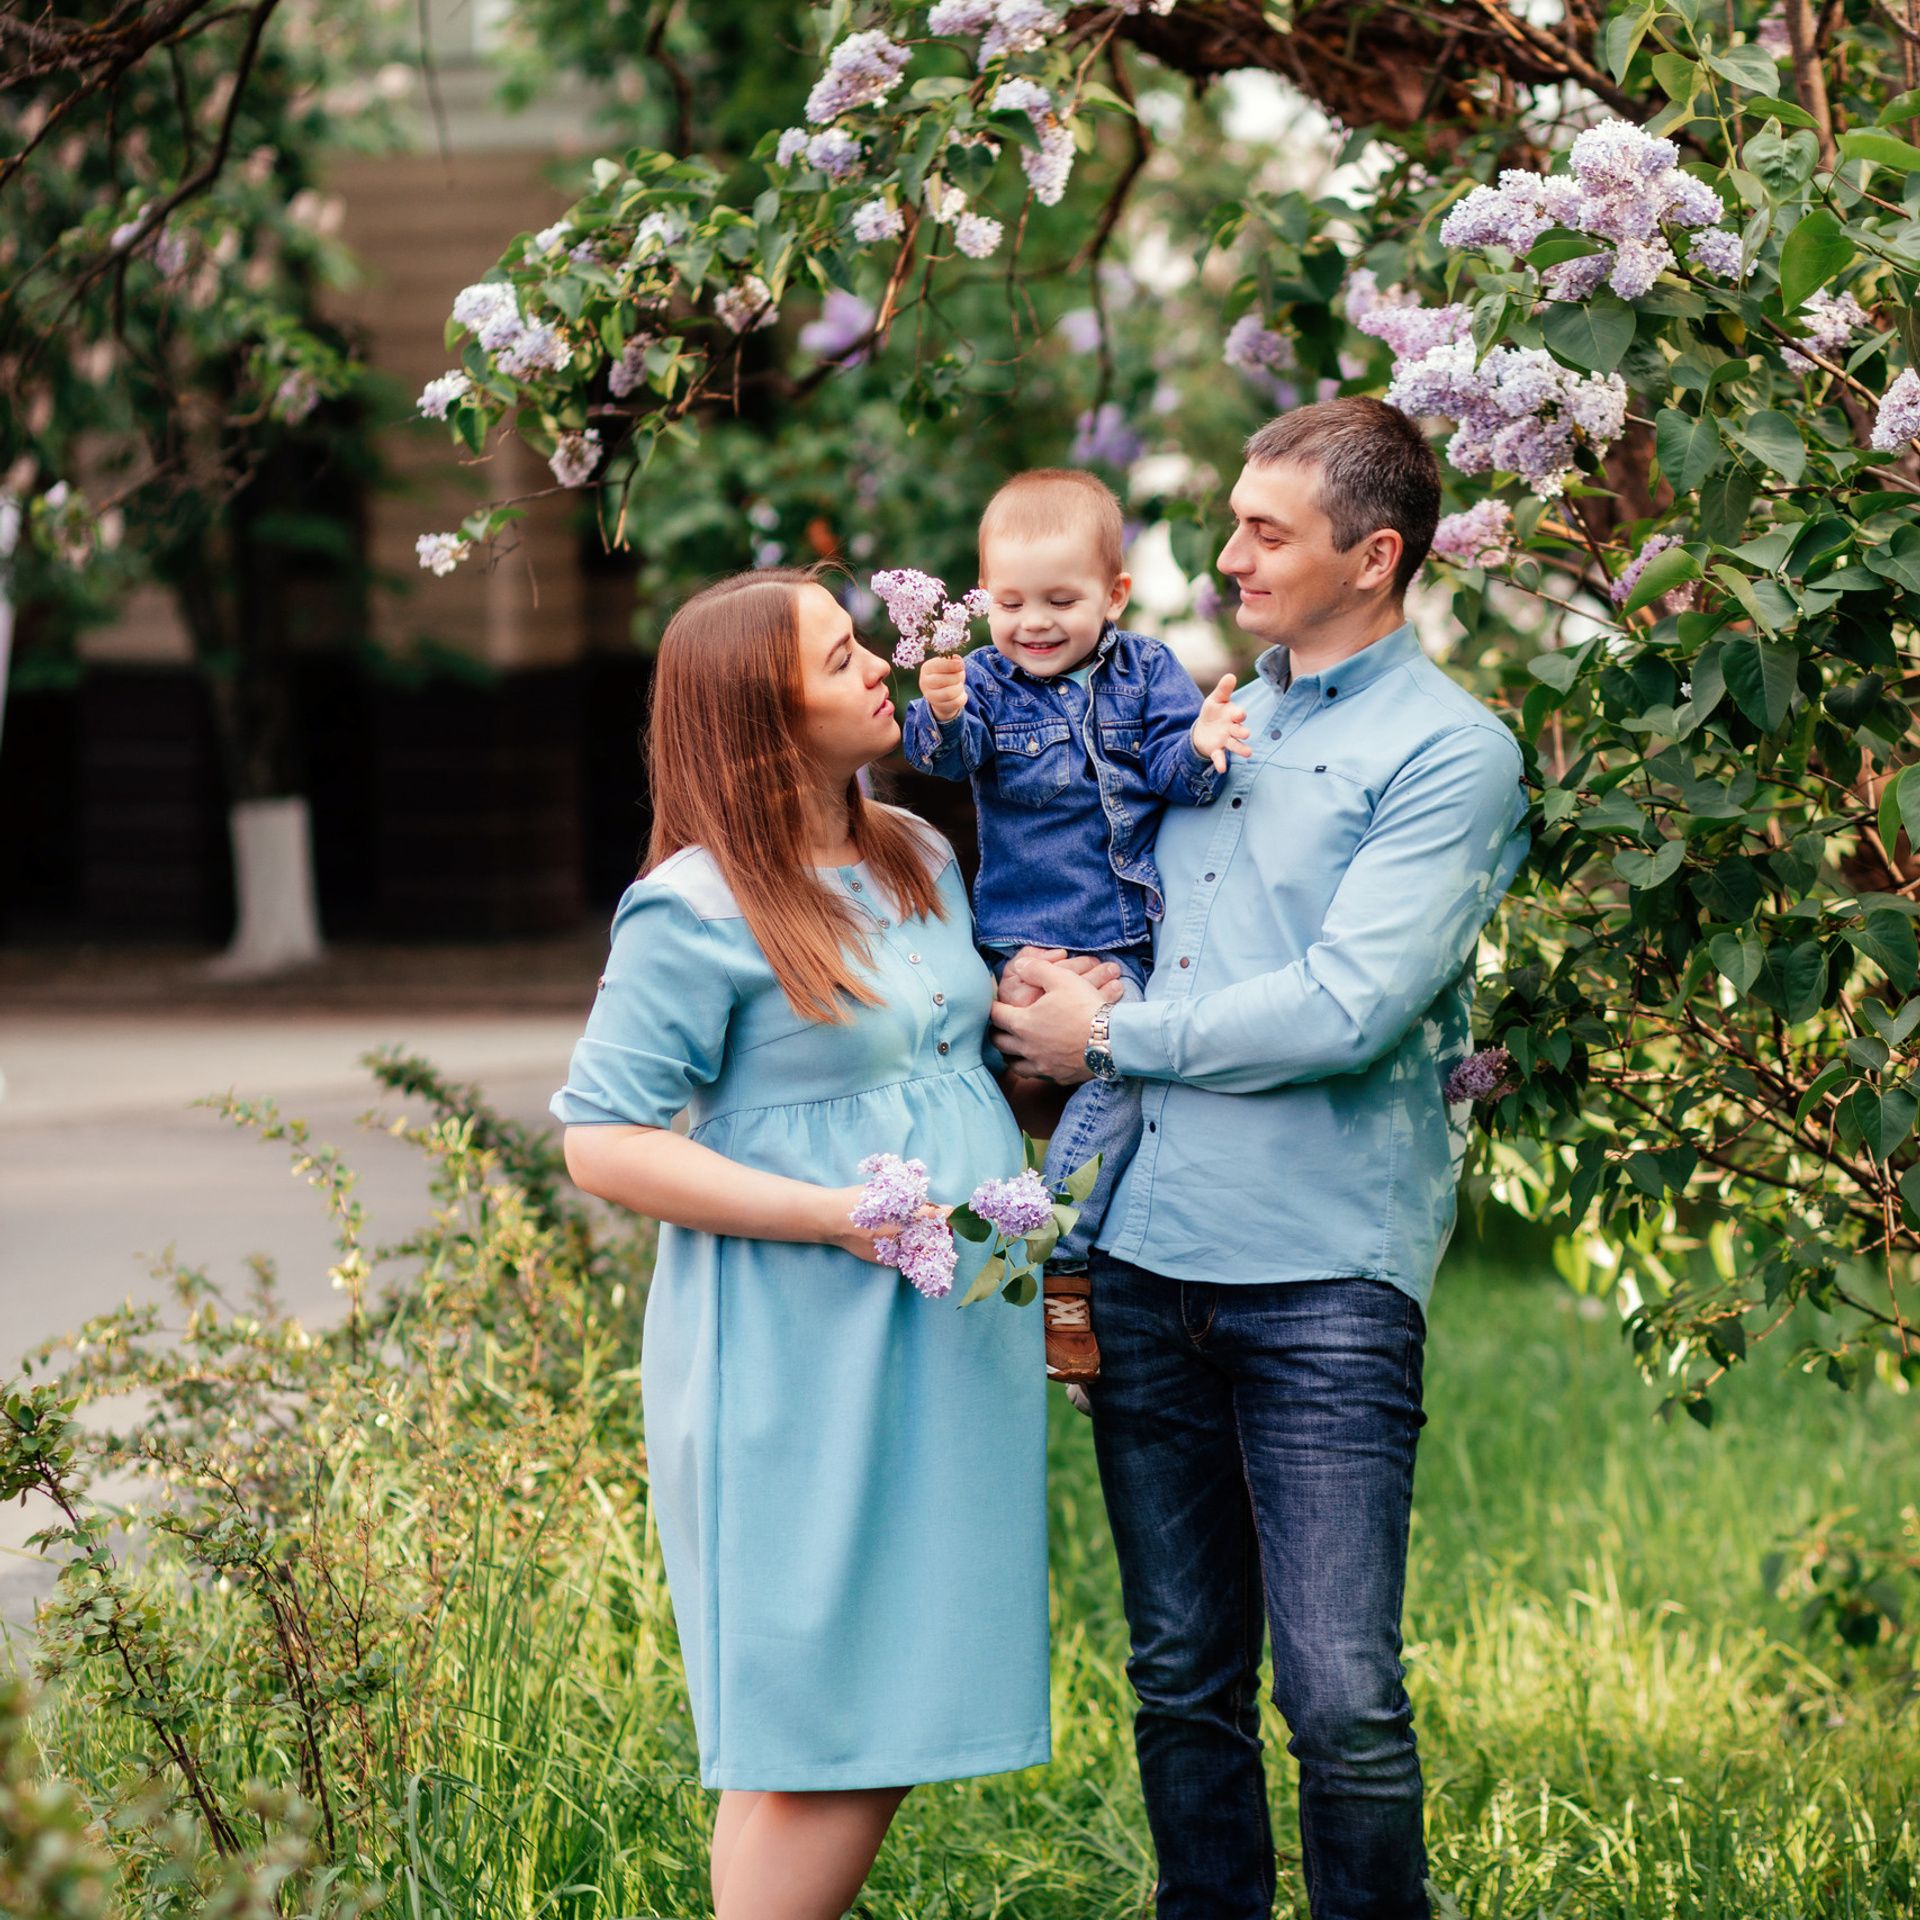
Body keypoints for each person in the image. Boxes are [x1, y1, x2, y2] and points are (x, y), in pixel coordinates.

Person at [989, 399, 1531, 1920]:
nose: (1225, 555)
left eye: (1265, 532)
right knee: (1179, 1681)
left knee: (1345, 1702)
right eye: (1230, 520)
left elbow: (1351, 1008)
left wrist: (1117, 1040)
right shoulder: (1212, 719)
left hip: (1321, 1287)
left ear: (1375, 556)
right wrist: (1039, 989)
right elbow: (1100, 908)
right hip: (1144, 1264)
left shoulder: (1452, 756)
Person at [552, 568, 1052, 1920]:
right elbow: (601, 1140)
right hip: (799, 1343)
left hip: (948, 1344)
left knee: (837, 1730)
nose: (881, 665)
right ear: (764, 717)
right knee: (828, 1720)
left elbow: (956, 1066)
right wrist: (838, 1215)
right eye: (842, 660)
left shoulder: (917, 851)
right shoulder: (695, 907)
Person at [902, 469, 1248, 1384]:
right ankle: (938, 1230)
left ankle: (1056, 1250)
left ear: (1115, 596)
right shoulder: (982, 681)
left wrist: (1203, 746)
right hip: (1018, 940)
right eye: (1011, 602)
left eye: (1063, 599)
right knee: (970, 1071)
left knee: (1122, 1076)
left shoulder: (1149, 673)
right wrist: (940, 713)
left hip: (1124, 944)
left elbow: (1181, 774)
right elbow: (948, 757)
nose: (1035, 623)